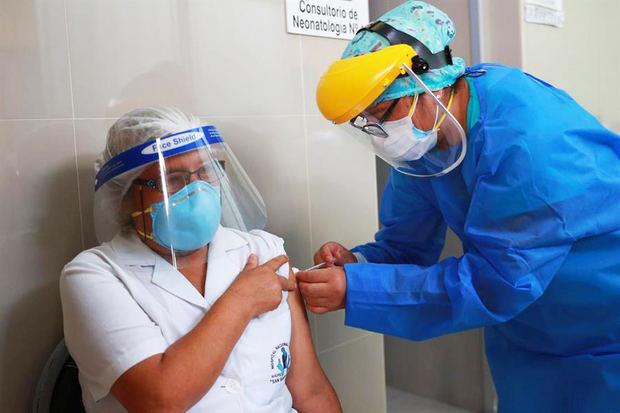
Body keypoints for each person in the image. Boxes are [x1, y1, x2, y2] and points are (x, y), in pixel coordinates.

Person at [297, 1, 620, 411]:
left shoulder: (527, 143)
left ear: (428, 81)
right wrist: (357, 265)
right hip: (527, 337)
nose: (382, 133)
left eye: (384, 113)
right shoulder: (428, 145)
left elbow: (498, 281)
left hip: (604, 327)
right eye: (368, 121)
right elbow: (405, 244)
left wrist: (356, 291)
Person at [60, 107, 341, 413]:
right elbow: (159, 400)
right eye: (173, 178)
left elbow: (310, 392)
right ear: (124, 196)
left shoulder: (264, 251)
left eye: (207, 169)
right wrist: (241, 301)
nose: (198, 189)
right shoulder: (94, 276)